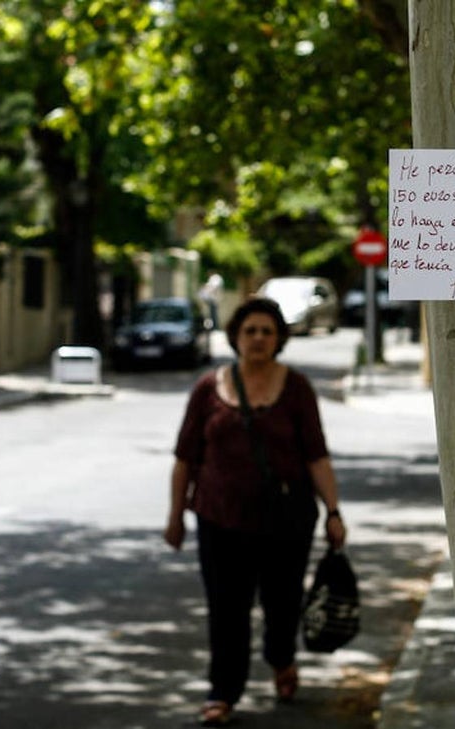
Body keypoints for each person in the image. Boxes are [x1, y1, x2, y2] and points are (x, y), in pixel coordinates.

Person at [164, 296, 347, 727]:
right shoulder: (208, 389)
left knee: (283, 604)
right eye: (250, 331)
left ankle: (281, 659)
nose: (259, 338)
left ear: (279, 338)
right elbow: (185, 458)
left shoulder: (297, 388)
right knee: (226, 609)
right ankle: (222, 691)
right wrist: (175, 517)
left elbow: (316, 456)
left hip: (287, 520)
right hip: (219, 519)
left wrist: (334, 512)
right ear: (236, 337)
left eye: (267, 331)